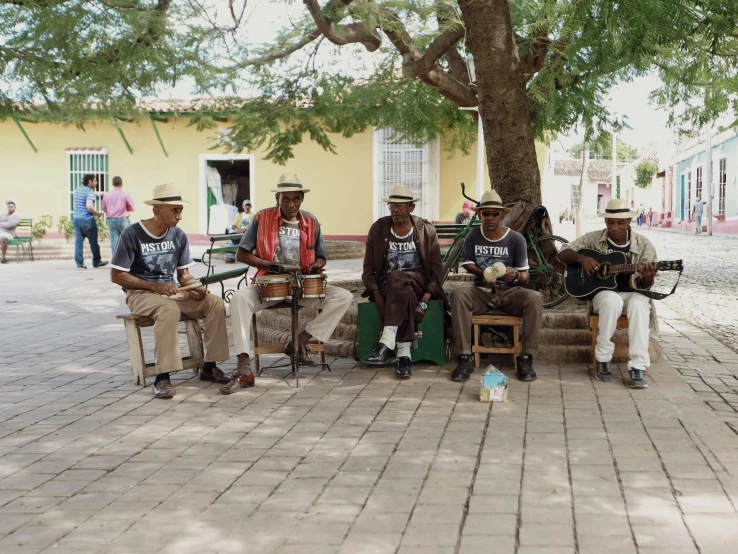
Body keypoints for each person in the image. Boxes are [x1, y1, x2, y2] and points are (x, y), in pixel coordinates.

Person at [225, 174, 353, 393]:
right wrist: (269, 264)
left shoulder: (311, 221)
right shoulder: (261, 218)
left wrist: (316, 265)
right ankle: (244, 368)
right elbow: (242, 254)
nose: (291, 204)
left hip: (302, 286)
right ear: (278, 197)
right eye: (286, 199)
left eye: (296, 199)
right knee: (238, 298)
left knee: (343, 296)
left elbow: (322, 256)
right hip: (268, 284)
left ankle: (301, 341)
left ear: (302, 199)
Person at [110, 183, 232, 399]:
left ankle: (209, 366)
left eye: (180, 210)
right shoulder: (132, 234)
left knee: (215, 303)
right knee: (168, 309)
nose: (180, 216)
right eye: (175, 210)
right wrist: (154, 286)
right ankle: (162, 377)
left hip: (172, 292)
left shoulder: (178, 235)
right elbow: (117, 275)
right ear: (157, 210)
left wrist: (193, 287)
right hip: (140, 294)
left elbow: (183, 275)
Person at [558, 198, 657, 389]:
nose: (615, 227)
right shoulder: (593, 239)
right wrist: (581, 258)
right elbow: (563, 252)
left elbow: (646, 286)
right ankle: (603, 358)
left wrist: (648, 277)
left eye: (620, 222)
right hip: (604, 294)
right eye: (611, 222)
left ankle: (638, 366)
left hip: (632, 293)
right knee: (612, 301)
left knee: (639, 304)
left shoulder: (644, 245)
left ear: (629, 221)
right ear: (605, 222)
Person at [450, 190, 543, 383]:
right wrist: (482, 274)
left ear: (502, 215)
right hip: (482, 292)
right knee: (459, 294)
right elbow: (466, 263)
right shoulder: (473, 236)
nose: (490, 217)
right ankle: (464, 357)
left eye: (495, 213)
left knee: (535, 297)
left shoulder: (516, 239)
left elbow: (524, 276)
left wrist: (516, 274)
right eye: (486, 213)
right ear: (479, 215)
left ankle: (526, 357)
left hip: (510, 292)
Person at [362, 186, 444, 378]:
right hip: (388, 284)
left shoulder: (426, 230)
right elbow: (368, 269)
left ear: (411, 208)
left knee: (398, 277)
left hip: (418, 281)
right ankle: (404, 355)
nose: (395, 210)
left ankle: (387, 341)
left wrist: (424, 300)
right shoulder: (378, 229)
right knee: (398, 283)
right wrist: (377, 297)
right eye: (392, 205)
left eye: (401, 206)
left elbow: (437, 270)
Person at [73, 174, 109, 269]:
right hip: (87, 220)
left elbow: (89, 196)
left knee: (78, 242)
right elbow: (89, 206)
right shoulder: (89, 192)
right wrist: (97, 213)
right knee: (93, 242)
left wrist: (98, 194)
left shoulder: (78, 190)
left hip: (76, 219)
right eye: (95, 180)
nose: (96, 182)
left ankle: (79, 264)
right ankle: (96, 261)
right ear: (90, 181)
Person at [102, 176, 135, 255]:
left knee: (114, 242)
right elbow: (132, 207)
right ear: (121, 184)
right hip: (123, 219)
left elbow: (104, 208)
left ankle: (116, 262)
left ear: (113, 184)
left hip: (112, 220)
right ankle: (128, 259)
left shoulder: (107, 195)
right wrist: (126, 208)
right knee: (127, 240)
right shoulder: (125, 195)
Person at [225, 199, 254, 263]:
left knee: (232, 239)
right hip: (239, 233)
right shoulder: (239, 215)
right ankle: (231, 257)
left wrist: (244, 230)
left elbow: (253, 227)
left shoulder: (253, 216)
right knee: (231, 240)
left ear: (251, 206)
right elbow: (233, 225)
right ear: (243, 206)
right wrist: (237, 229)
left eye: (249, 205)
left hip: (248, 234)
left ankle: (231, 257)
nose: (247, 206)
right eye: (246, 205)